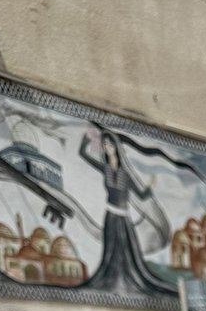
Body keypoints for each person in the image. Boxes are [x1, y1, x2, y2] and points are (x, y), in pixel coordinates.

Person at [79, 126, 197, 296]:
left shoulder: (125, 174)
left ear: (117, 148)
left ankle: (130, 284)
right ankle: (112, 283)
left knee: (129, 256)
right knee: (111, 254)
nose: (107, 148)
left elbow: (141, 196)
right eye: (105, 145)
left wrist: (151, 187)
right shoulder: (105, 170)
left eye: (110, 145)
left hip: (124, 218)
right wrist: (85, 141)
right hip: (111, 215)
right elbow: (83, 155)